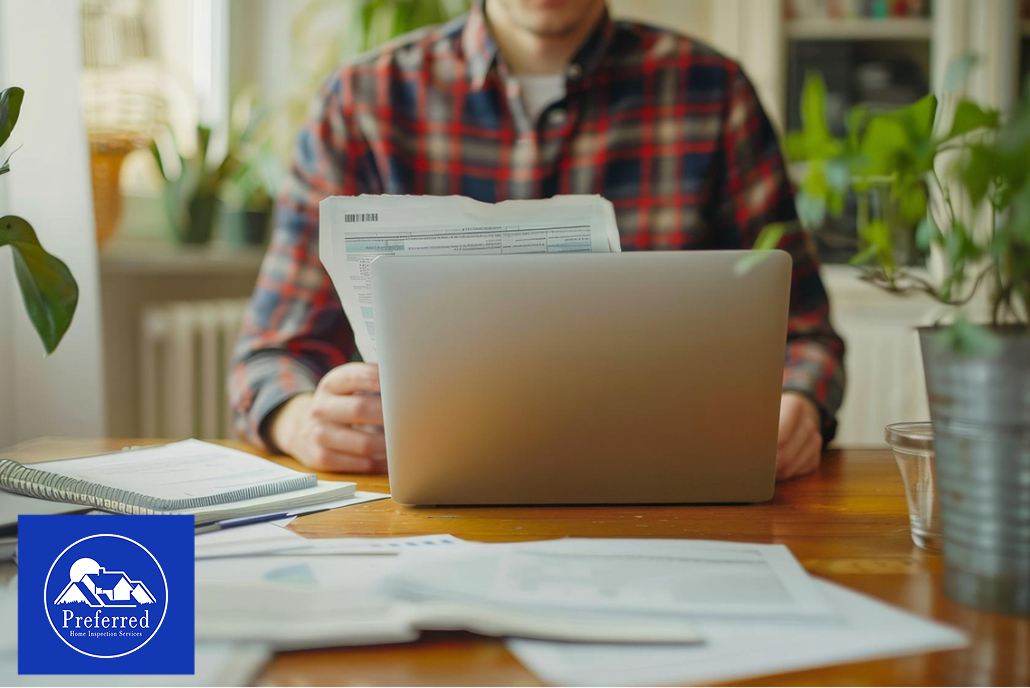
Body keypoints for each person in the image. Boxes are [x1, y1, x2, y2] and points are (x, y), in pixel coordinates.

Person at [230, 0, 846, 481]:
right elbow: (268, 357)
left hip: (662, 492)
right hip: (419, 507)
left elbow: (805, 334)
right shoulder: (363, 102)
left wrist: (800, 403)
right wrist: (300, 423)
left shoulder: (714, 93)